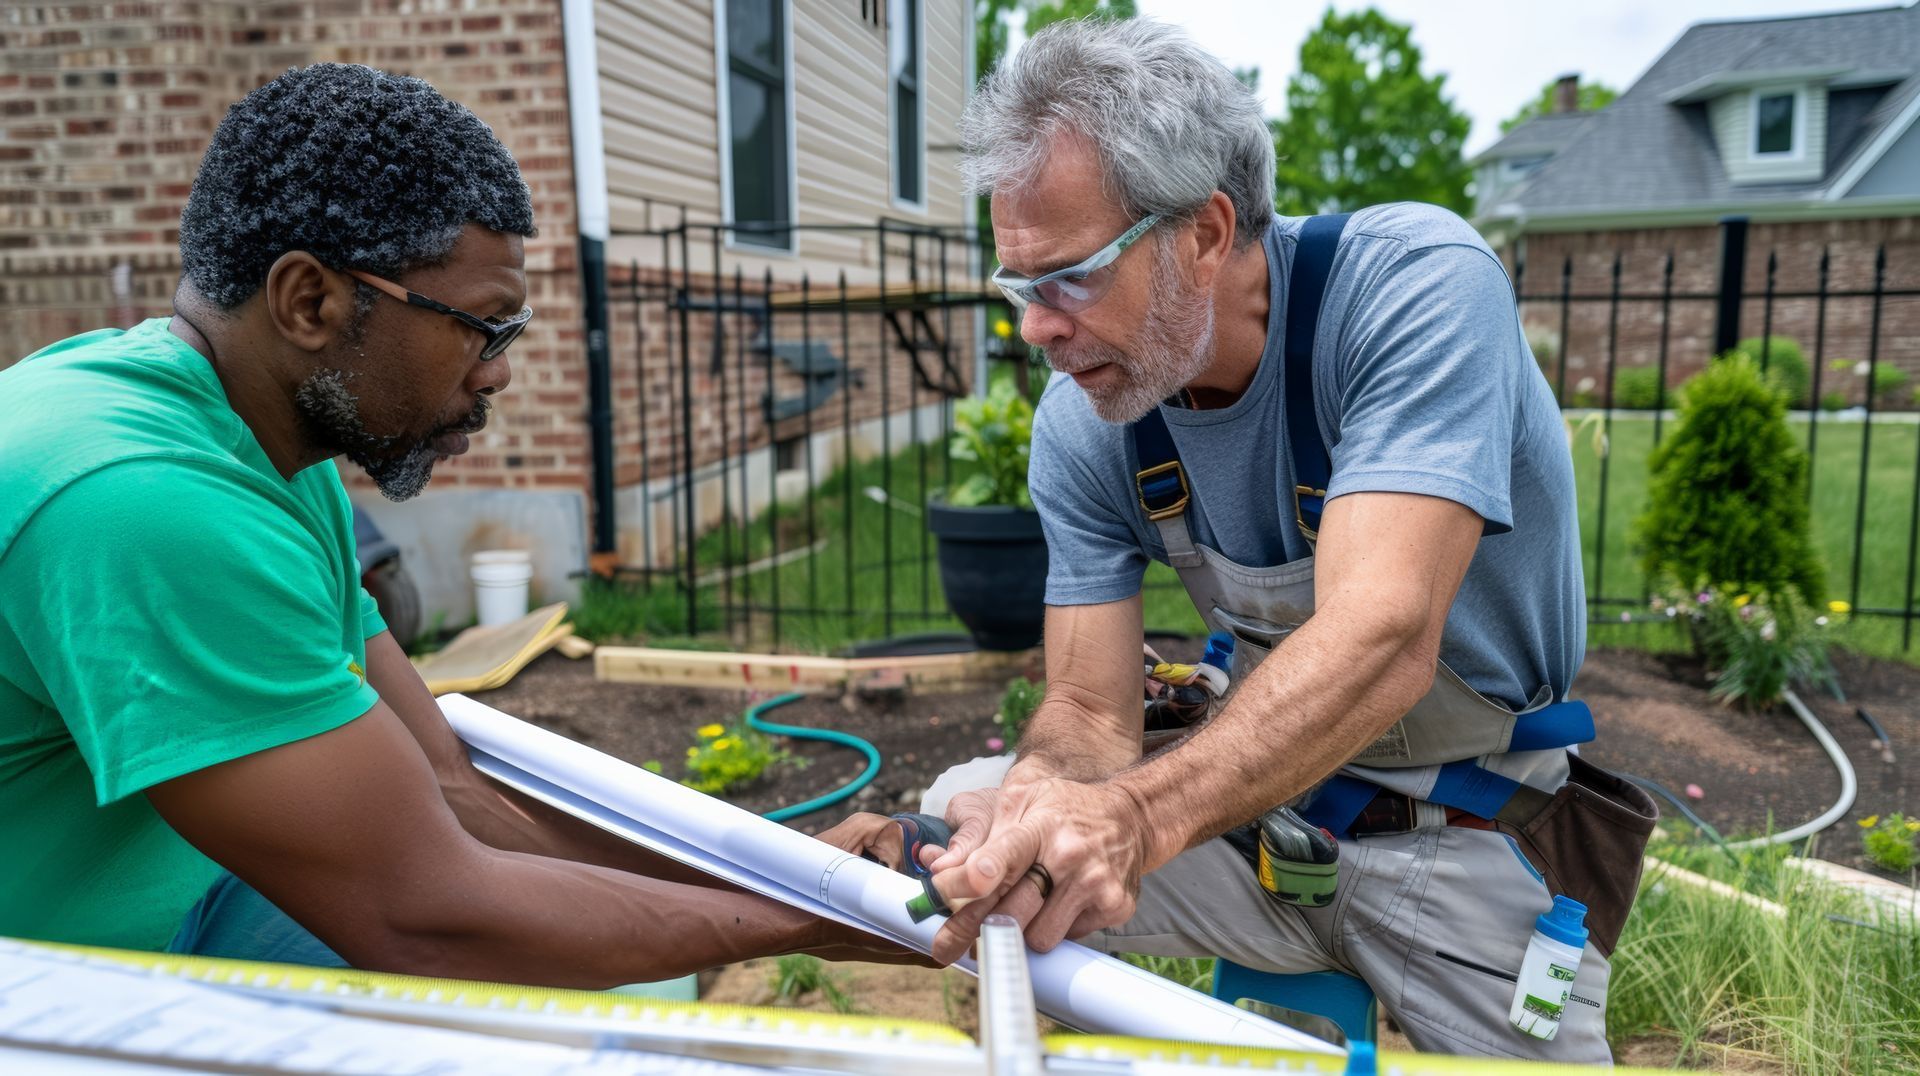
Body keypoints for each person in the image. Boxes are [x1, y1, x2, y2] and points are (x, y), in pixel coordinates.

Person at [0, 63, 909, 985]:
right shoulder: (141, 500)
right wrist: (800, 921)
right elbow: (426, 915)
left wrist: (800, 874)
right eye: (481, 325)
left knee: (634, 964)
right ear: (309, 300)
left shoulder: (257, 441)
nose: (497, 371)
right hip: (47, 988)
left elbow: (451, 784)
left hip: (183, 898)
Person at [912, 19, 1656, 1063]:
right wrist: (1039, 802)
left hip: (1468, 843)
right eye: (1021, 288)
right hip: (1258, 829)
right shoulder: (1088, 417)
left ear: (1206, 234)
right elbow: (1085, 708)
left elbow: (1382, 637)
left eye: (1069, 277)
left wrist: (1128, 819)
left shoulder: (1412, 291)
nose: (1036, 327)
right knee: (965, 830)